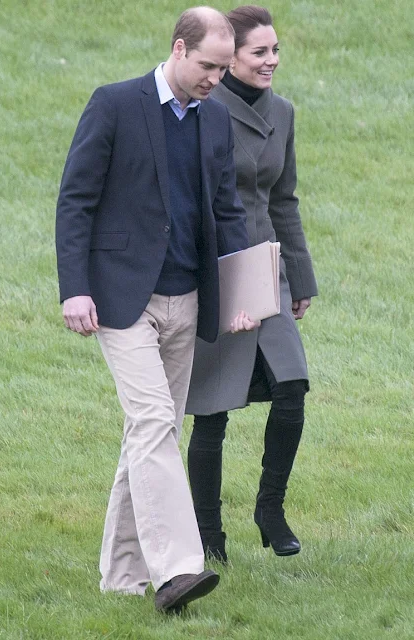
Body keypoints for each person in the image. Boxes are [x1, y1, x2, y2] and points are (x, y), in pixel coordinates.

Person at [55, 6, 258, 613]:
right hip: (121, 299)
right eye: (207, 66)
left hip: (188, 299)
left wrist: (243, 294)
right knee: (152, 426)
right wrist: (74, 287)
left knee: (149, 436)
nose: (215, 79)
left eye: (225, 70)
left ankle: (121, 578)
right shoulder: (114, 104)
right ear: (177, 48)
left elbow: (226, 214)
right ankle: (176, 571)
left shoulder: (216, 121)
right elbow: (76, 200)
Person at [185, 5, 318, 563]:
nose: (272, 61)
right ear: (229, 56)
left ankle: (270, 508)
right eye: (259, 52)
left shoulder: (283, 113)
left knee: (292, 387)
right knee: (212, 408)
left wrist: (300, 278)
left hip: (266, 269)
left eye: (276, 50)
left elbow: (283, 199)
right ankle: (208, 536)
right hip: (213, 270)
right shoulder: (202, 106)